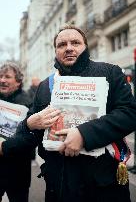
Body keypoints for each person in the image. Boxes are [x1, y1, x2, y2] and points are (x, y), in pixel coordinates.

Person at [1, 25, 136, 202]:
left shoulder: (110, 72)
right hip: (58, 184)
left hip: (103, 185)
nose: (69, 47)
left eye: (75, 42)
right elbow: (33, 134)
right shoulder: (45, 86)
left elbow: (129, 113)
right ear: (56, 51)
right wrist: (28, 124)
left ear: (85, 46)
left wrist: (83, 134)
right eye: (62, 44)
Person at [0, 62, 32, 202]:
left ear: (18, 82)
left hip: (17, 168)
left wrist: (6, 147)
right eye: (0, 76)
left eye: (7, 76)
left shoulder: (28, 103)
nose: (2, 80)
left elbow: (31, 138)